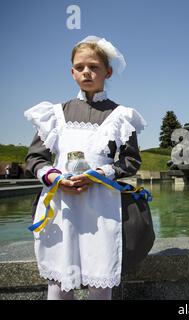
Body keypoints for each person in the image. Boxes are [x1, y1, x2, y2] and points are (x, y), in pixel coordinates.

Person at [24, 36, 146, 300]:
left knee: (100, 281)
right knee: (58, 283)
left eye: (93, 67)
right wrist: (55, 176)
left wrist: (100, 174)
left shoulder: (121, 116)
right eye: (80, 67)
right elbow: (35, 158)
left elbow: (131, 160)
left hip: (102, 205)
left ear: (108, 72)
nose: (86, 72)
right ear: (72, 72)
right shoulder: (55, 113)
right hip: (61, 204)